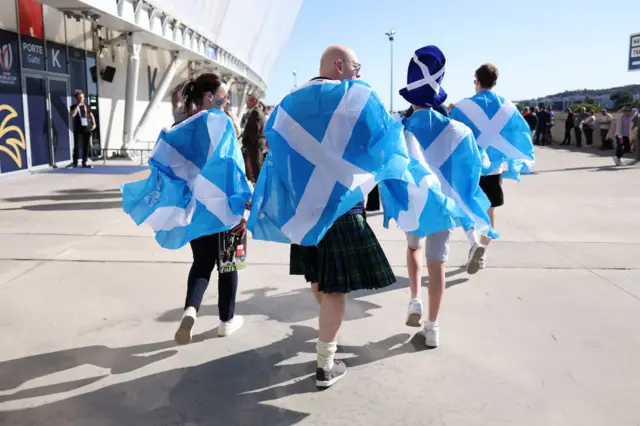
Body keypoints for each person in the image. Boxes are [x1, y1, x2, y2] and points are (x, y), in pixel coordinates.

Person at [288, 45, 397, 389]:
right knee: (335, 291)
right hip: (342, 207)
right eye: (355, 66)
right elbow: (384, 146)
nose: (359, 73)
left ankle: (326, 335)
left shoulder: (291, 103)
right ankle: (325, 364)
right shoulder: (357, 98)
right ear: (339, 66)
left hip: (305, 208)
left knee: (320, 280)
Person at [399, 46, 486, 348]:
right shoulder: (459, 130)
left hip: (415, 204)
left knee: (413, 249)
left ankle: (413, 299)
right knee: (438, 264)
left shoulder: (403, 129)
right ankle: (433, 327)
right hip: (444, 206)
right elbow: (472, 171)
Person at [173, 73, 248, 345]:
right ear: (209, 97)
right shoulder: (222, 123)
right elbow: (234, 166)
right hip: (224, 206)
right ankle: (226, 321)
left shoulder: (181, 126)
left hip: (197, 209)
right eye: (224, 97)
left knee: (201, 264)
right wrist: (242, 207)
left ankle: (191, 310)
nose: (226, 103)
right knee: (228, 265)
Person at [242, 94, 267, 182]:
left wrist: (247, 144)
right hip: (257, 143)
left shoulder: (255, 112)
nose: (246, 103)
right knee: (256, 165)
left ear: (255, 101)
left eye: (248, 101)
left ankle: (258, 187)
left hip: (255, 144)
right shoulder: (258, 111)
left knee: (256, 166)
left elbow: (254, 131)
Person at [70, 90, 96, 168]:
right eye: (80, 97)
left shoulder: (87, 106)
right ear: (77, 98)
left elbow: (91, 115)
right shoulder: (73, 106)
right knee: (77, 146)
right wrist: (78, 105)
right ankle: (75, 162)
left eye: (83, 97)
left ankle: (84, 161)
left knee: (86, 146)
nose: (82, 99)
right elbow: (73, 115)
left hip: (87, 129)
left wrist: (94, 124)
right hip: (78, 129)